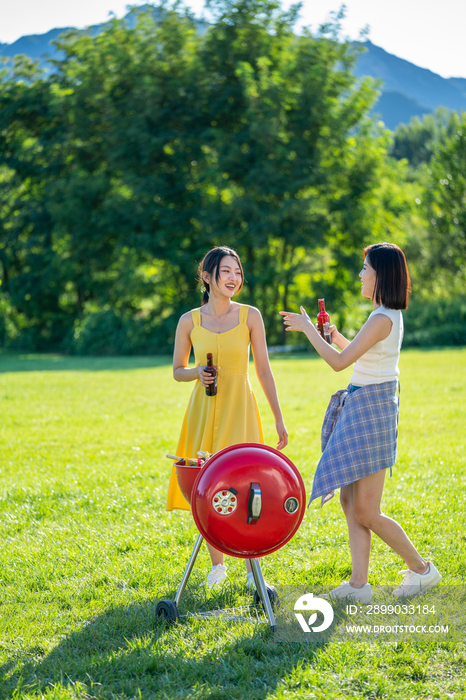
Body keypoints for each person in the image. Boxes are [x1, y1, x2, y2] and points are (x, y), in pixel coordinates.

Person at [280, 242, 441, 602]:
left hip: (371, 410)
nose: (360, 274)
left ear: (380, 275)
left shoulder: (382, 317)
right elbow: (359, 356)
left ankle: (421, 570)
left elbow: (339, 364)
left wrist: (308, 330)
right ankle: (358, 585)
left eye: (365, 268)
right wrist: (334, 337)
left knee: (366, 509)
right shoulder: (383, 315)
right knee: (350, 501)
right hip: (365, 406)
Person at [168, 245, 288, 588]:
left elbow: (263, 370)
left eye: (237, 272)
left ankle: (253, 571)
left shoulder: (250, 316)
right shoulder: (188, 321)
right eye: (226, 272)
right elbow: (178, 370)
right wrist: (197, 374)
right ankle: (217, 565)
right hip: (203, 411)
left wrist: (278, 418)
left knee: (250, 485)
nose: (234, 278)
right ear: (207, 277)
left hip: (241, 407)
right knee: (206, 484)